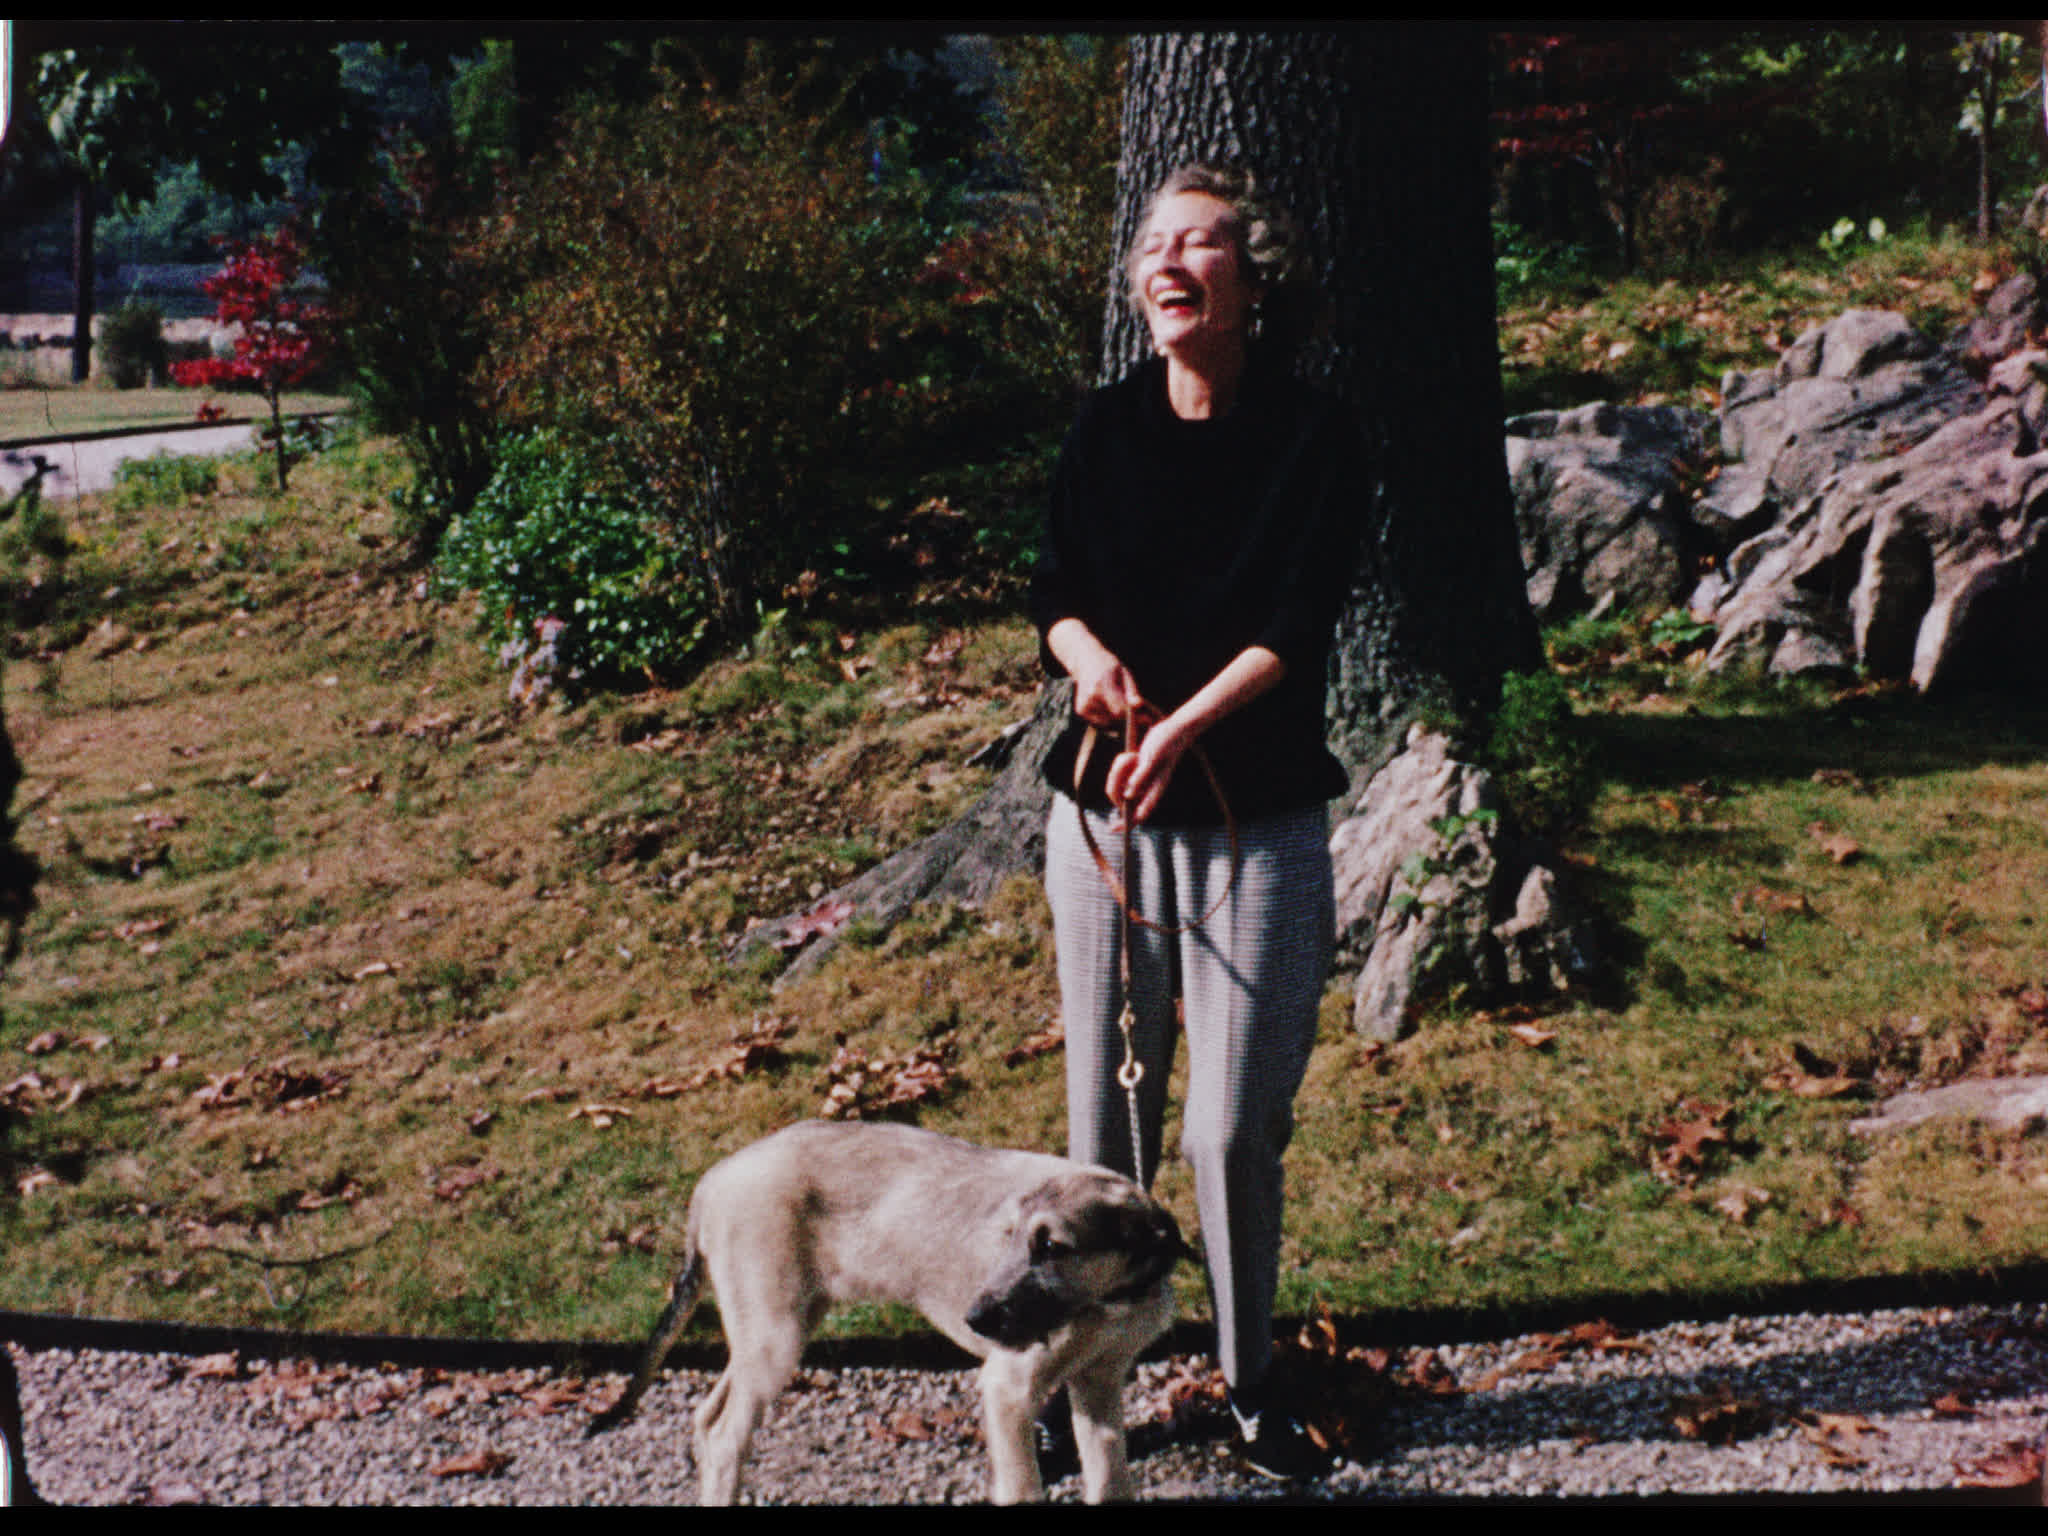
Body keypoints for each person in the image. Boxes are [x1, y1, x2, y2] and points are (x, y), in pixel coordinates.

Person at [1029, 162, 1360, 1482]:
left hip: (1256, 818)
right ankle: (1076, 1381)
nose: (1168, 262)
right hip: (1102, 821)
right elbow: (1052, 586)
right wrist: (1086, 662)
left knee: (1229, 1130)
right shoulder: (1102, 431)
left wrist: (1181, 728)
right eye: (1152, 244)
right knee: (1102, 1129)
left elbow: (1296, 622)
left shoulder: (1314, 435)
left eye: (1200, 242)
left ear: (1249, 278)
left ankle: (1249, 1380)